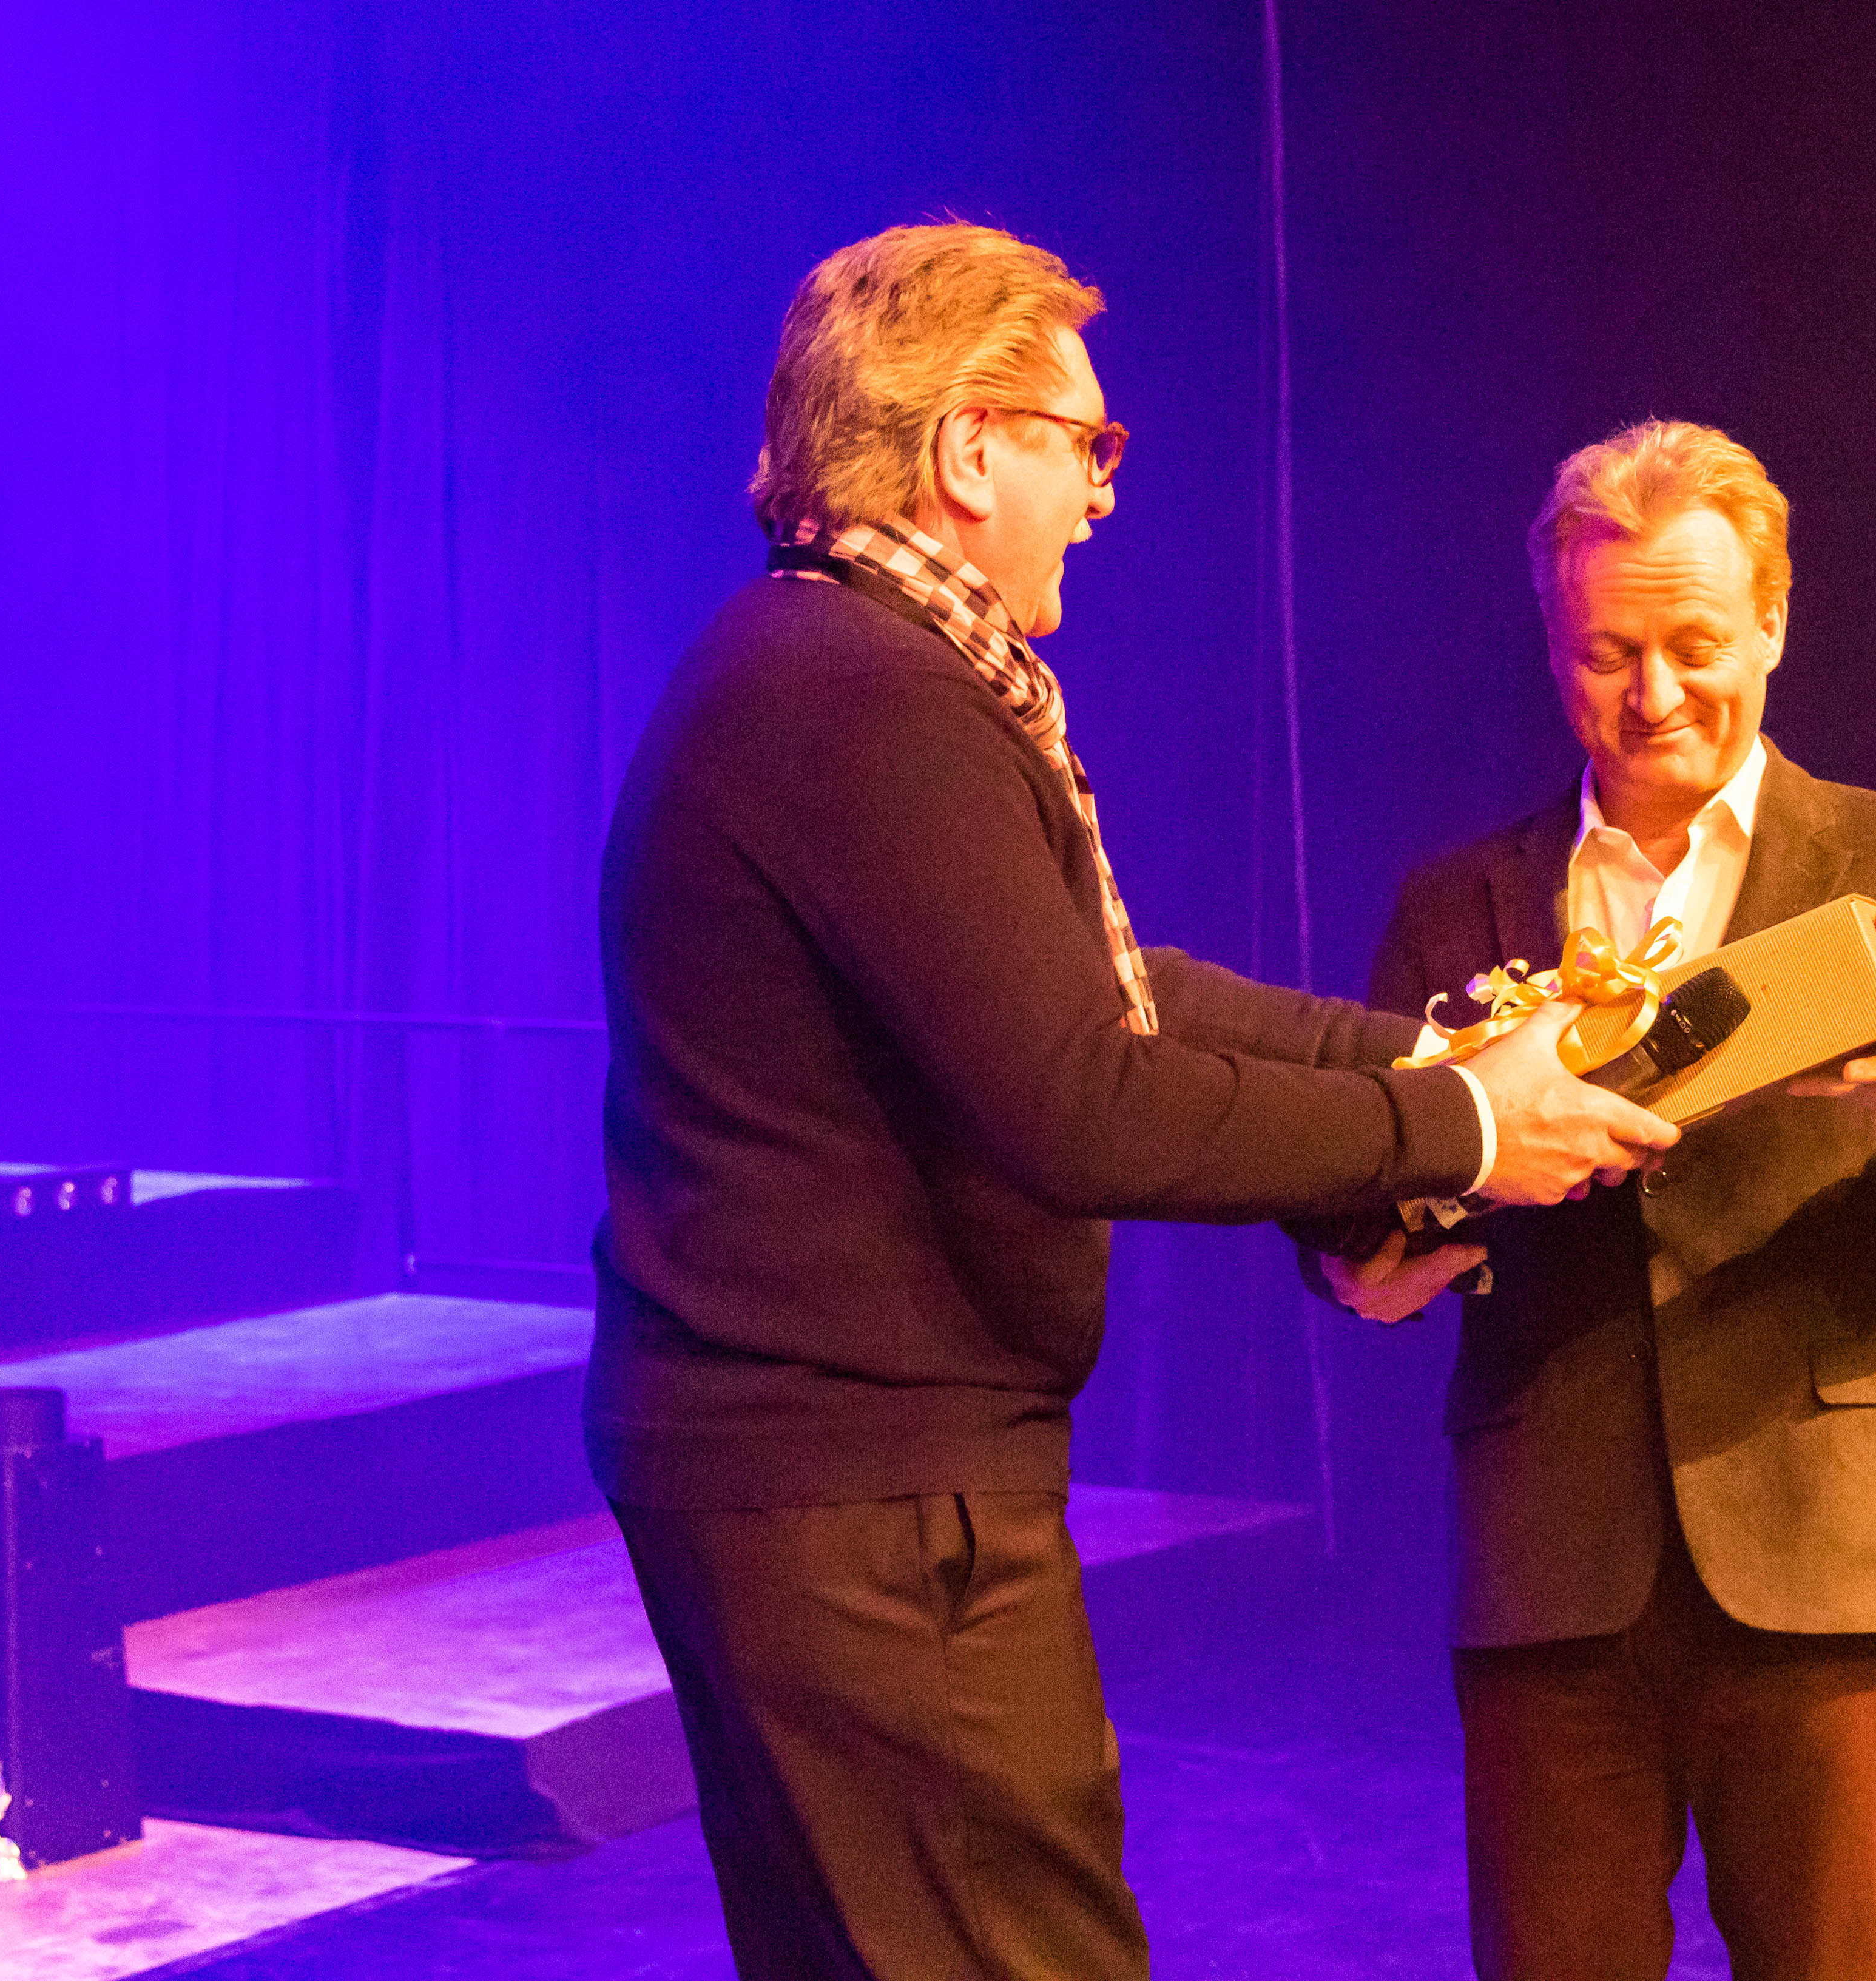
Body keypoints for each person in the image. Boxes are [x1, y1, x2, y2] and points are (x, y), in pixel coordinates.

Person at [590, 224, 1676, 1981]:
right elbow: (1085, 1097)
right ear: (967, 449)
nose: (1101, 495)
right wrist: (1469, 1131)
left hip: (831, 1481)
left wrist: (1425, 1061)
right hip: (866, 1497)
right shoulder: (863, 694)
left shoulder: (829, 667)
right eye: (1081, 443)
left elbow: (1106, 989)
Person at [1314, 420, 1876, 1979]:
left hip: (1830, 1552)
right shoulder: (1457, 899)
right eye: (1606, 653)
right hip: (1553, 1557)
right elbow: (1359, 1176)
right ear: (1553, 642)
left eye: (1694, 644)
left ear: (1772, 622)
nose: (1656, 695)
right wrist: (1360, 1264)